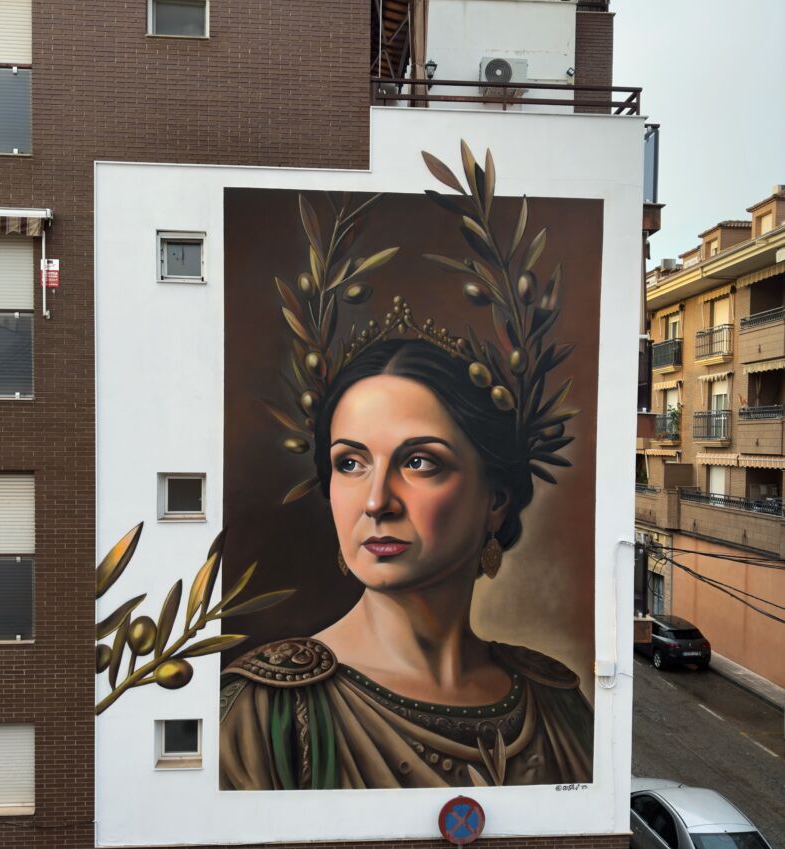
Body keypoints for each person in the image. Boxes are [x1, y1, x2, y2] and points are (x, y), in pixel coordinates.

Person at [219, 338, 593, 790]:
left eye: (418, 462)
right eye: (351, 463)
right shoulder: (261, 713)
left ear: (495, 499)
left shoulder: (556, 704)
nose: (376, 502)